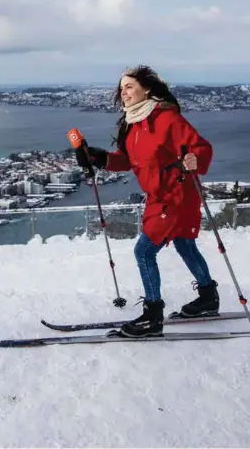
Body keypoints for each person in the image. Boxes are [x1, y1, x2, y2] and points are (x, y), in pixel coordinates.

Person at [75, 65, 219, 338]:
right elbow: (127, 160)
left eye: (129, 86)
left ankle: (153, 315)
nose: (123, 92)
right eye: (121, 88)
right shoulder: (132, 123)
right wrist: (98, 157)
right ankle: (208, 298)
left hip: (174, 195)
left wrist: (194, 159)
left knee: (144, 252)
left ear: (148, 89)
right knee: (185, 244)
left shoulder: (167, 119)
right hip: (164, 195)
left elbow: (201, 147)